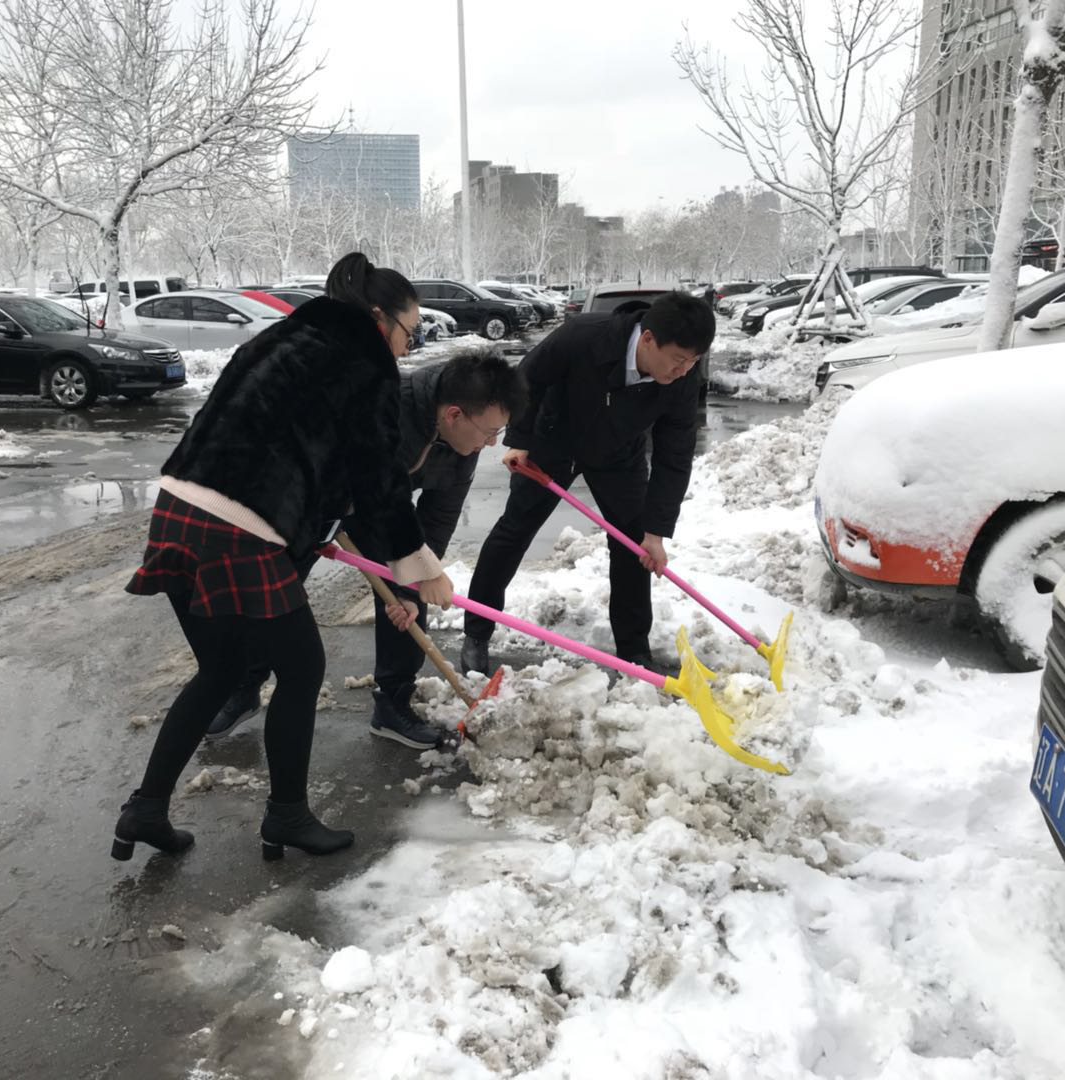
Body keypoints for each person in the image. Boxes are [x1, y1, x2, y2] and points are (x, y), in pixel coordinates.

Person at [112, 252, 453, 863]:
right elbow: (378, 478)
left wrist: (316, 523)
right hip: (238, 524)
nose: (408, 347)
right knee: (301, 669)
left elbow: (303, 450)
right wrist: (418, 566)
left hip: (179, 507)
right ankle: (287, 818)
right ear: (380, 320)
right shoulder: (364, 362)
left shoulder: (285, 336)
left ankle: (146, 808)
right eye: (411, 331)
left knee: (218, 672)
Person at [207, 349, 527, 749]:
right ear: (455, 415)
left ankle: (392, 704)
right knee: (274, 590)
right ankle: (243, 684)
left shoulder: (463, 447)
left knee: (412, 586)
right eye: (488, 433)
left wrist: (412, 588)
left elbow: (436, 520)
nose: (491, 443)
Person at [459, 290, 715, 675]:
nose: (683, 370)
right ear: (648, 340)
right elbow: (528, 378)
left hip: (618, 456)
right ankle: (477, 632)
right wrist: (520, 439)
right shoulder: (583, 335)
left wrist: (656, 530)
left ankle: (633, 652)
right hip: (552, 444)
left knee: (633, 548)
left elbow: (674, 455)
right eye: (678, 359)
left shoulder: (681, 378)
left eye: (692, 361)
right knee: (514, 533)